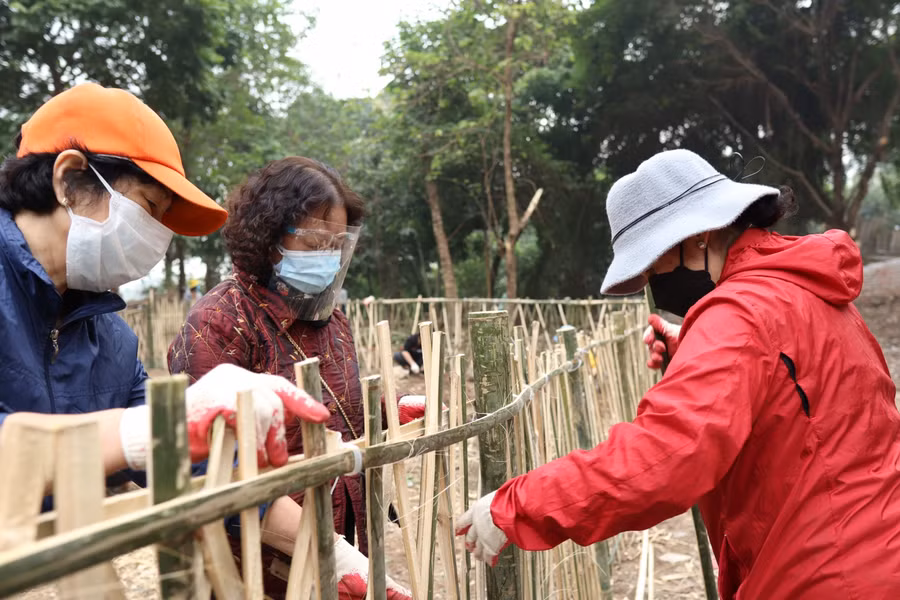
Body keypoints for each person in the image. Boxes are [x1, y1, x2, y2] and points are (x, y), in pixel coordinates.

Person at [456, 149, 900, 598]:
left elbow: (664, 458)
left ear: (701, 235)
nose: (651, 280)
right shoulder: (805, 289)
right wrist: (691, 351)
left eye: (652, 262)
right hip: (876, 548)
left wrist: (520, 505)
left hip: (825, 577)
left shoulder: (738, 316)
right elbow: (797, 399)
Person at [0, 84, 330, 513]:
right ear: (70, 180)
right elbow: (150, 431)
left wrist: (337, 557)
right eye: (148, 207)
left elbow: (187, 467)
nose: (158, 236)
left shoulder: (110, 339)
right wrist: (142, 431)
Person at [168, 157, 420, 600]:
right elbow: (206, 463)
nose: (328, 256)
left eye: (337, 244)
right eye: (314, 242)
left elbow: (336, 411)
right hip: (257, 557)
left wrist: (386, 409)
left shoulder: (330, 318)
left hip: (337, 528)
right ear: (269, 238)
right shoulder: (222, 320)